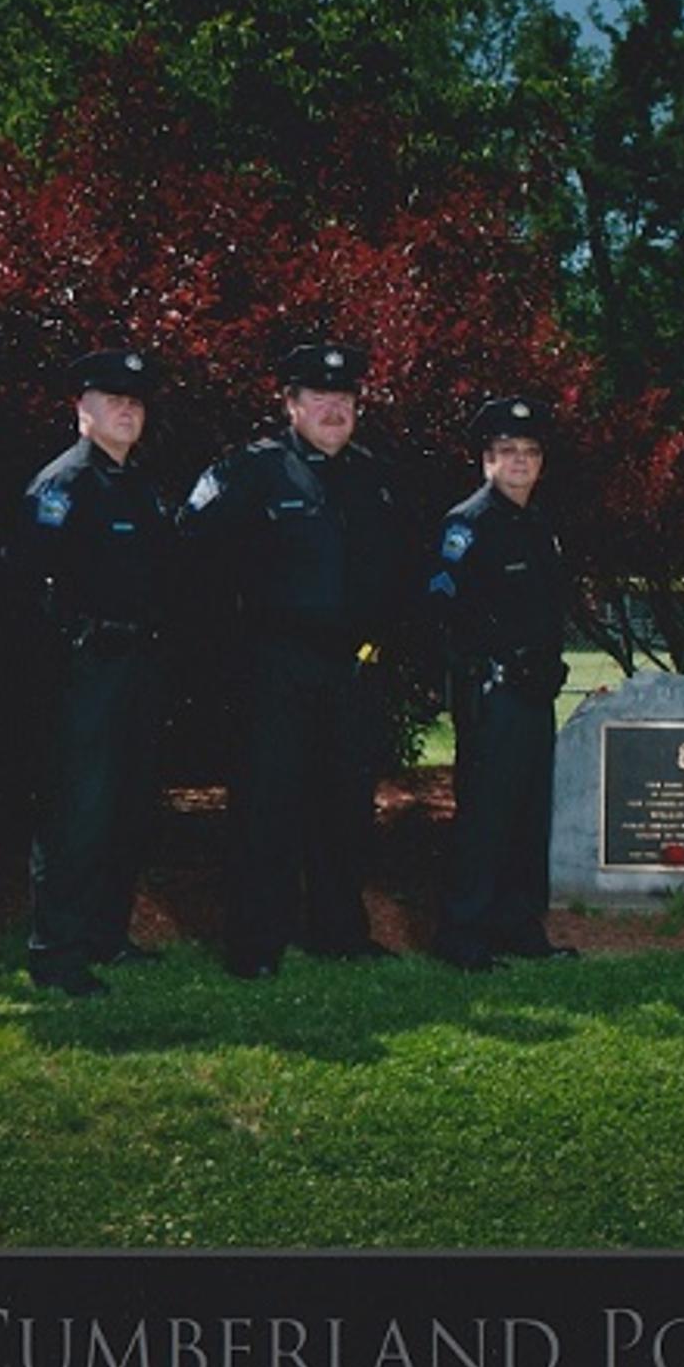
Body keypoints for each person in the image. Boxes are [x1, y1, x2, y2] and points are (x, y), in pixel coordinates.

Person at [178, 342, 406, 979]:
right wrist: (230, 647)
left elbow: (395, 574)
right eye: (318, 397)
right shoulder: (251, 472)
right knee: (267, 807)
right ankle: (256, 943)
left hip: (353, 667)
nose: (334, 408)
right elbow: (194, 558)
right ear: (291, 404)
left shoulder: (375, 476)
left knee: (346, 804)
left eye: (345, 398)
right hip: (274, 664)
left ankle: (339, 931)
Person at [17, 349, 173, 997]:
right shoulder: (63, 485)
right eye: (113, 401)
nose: (127, 411)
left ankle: (107, 936)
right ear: (82, 411)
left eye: (135, 402)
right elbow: (28, 585)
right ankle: (56, 952)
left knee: (126, 807)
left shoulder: (139, 485)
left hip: (135, 666)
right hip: (80, 671)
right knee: (76, 813)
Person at [427, 395, 578, 972]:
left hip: (535, 691)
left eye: (530, 452)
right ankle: (462, 934)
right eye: (507, 452)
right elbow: (440, 607)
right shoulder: (468, 524)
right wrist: (466, 675)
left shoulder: (537, 524)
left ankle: (518, 925)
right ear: (486, 461)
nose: (520, 462)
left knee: (526, 815)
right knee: (485, 818)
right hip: (492, 692)